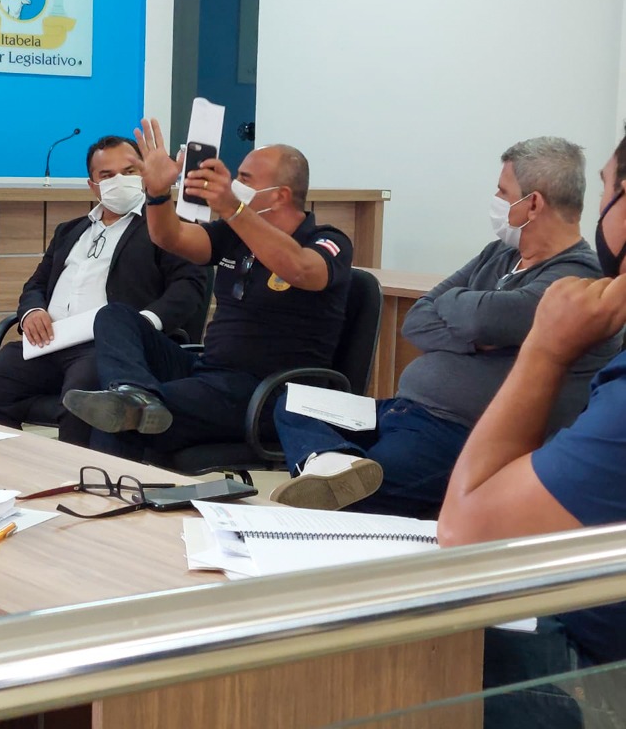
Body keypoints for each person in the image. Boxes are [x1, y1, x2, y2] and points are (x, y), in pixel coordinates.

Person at [270, 137, 619, 517]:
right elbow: (418, 319)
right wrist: (477, 336)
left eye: (503, 192)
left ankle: (336, 471)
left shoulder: (577, 278)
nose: (496, 200)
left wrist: (462, 312)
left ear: (532, 203)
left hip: (454, 434)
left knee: (360, 494)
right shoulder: (498, 254)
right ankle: (337, 466)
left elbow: (482, 318)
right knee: (292, 401)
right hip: (399, 412)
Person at [438, 130, 626, 728]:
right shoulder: (501, 255)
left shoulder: (572, 282)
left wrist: (545, 347)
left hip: (591, 657)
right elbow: (428, 311)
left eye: (606, 190)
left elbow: (469, 530)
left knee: (393, 642)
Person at [64, 119, 353, 463]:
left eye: (244, 180)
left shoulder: (328, 240)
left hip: (266, 391)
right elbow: (170, 238)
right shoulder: (234, 234)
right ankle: (134, 392)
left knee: (125, 425)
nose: (233, 185)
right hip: (209, 371)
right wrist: (157, 194)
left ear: (280, 195)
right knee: (114, 316)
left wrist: (233, 207)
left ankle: (117, 474)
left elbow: (303, 270)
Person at [0, 135, 208, 446]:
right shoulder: (70, 230)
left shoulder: (165, 228)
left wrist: (140, 325)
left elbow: (189, 288)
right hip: (50, 342)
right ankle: (15, 469)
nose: (119, 180)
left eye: (130, 171)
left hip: (107, 347)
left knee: (79, 399)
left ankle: (72, 479)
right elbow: (36, 284)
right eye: (107, 175)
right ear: (93, 185)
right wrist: (32, 311)